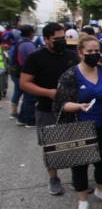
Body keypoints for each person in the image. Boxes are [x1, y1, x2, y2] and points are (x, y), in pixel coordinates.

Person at [52, 35, 102, 209]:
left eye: (97, 51)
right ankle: (82, 201)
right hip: (80, 126)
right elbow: (61, 104)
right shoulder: (71, 75)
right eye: (89, 52)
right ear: (80, 53)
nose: (94, 54)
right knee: (80, 165)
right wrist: (79, 106)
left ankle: (101, 189)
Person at [20, 22, 79, 195]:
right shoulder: (35, 58)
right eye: (57, 39)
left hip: (70, 108)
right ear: (46, 39)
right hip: (47, 109)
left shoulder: (70, 55)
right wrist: (47, 92)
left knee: (75, 144)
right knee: (51, 146)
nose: (61, 41)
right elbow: (24, 83)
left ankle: (78, 178)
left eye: (63, 38)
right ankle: (54, 178)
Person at [13, 25, 37, 127]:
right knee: (30, 97)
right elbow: (35, 60)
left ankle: (21, 118)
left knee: (25, 96)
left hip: (17, 73)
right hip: (25, 74)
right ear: (31, 33)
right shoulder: (28, 45)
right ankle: (29, 120)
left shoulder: (19, 42)